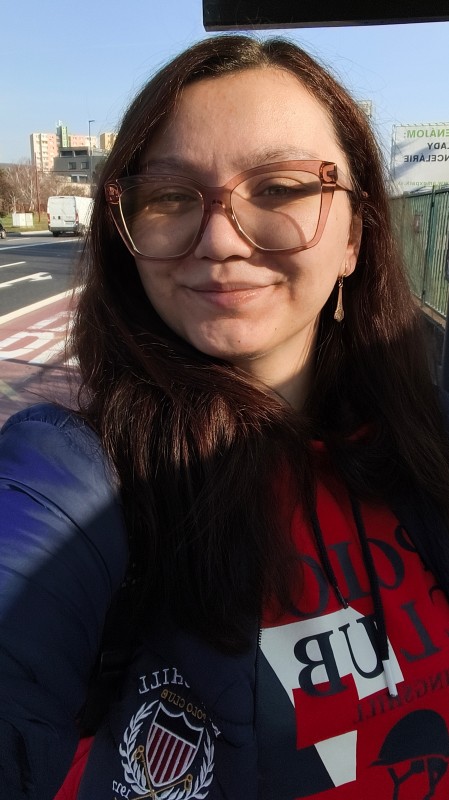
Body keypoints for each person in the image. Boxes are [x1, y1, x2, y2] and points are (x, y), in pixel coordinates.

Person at [1, 34, 449, 800]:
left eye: (277, 188)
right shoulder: (80, 472)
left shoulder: (422, 432)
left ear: (354, 237)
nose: (218, 239)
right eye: (170, 197)